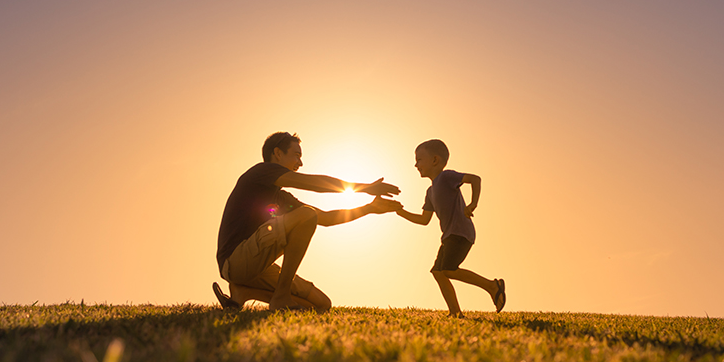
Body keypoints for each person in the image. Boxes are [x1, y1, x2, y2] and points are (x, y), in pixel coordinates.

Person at [214, 131, 401, 312]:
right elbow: (313, 184)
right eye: (296, 155)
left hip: (254, 267)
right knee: (306, 214)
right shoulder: (261, 172)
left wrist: (369, 208)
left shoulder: (282, 197)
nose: (300, 163)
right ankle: (281, 296)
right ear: (278, 153)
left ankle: (245, 292)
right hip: (234, 261)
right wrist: (365, 187)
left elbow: (326, 218)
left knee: (321, 304)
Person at [395, 139, 505, 318]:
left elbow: (475, 179)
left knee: (448, 269)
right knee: (438, 272)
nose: (416, 164)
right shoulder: (430, 192)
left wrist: (472, 204)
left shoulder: (446, 177)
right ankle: (455, 313)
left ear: (435, 160)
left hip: (461, 232)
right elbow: (424, 220)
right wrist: (400, 212)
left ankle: (492, 286)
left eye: (419, 159)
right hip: (448, 236)